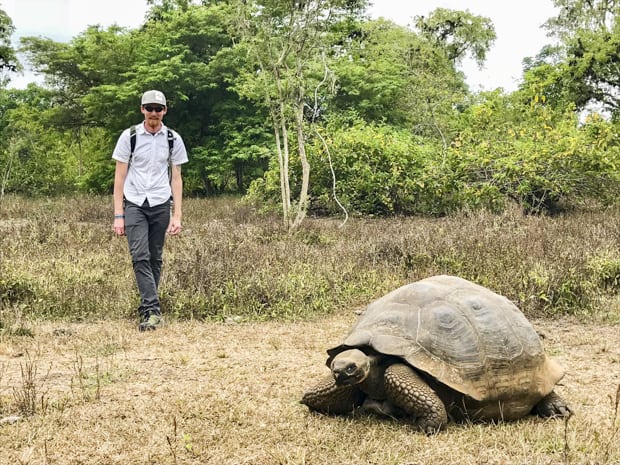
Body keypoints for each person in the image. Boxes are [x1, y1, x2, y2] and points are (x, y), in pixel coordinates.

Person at [112, 90, 188, 331]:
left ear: (165, 111)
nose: (153, 113)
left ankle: (148, 309)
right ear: (142, 109)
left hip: (160, 202)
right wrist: (118, 214)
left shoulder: (173, 139)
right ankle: (152, 310)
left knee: (155, 257)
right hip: (134, 202)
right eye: (149, 108)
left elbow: (176, 177)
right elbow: (120, 176)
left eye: (158, 108)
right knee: (139, 256)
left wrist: (177, 214)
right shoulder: (129, 136)